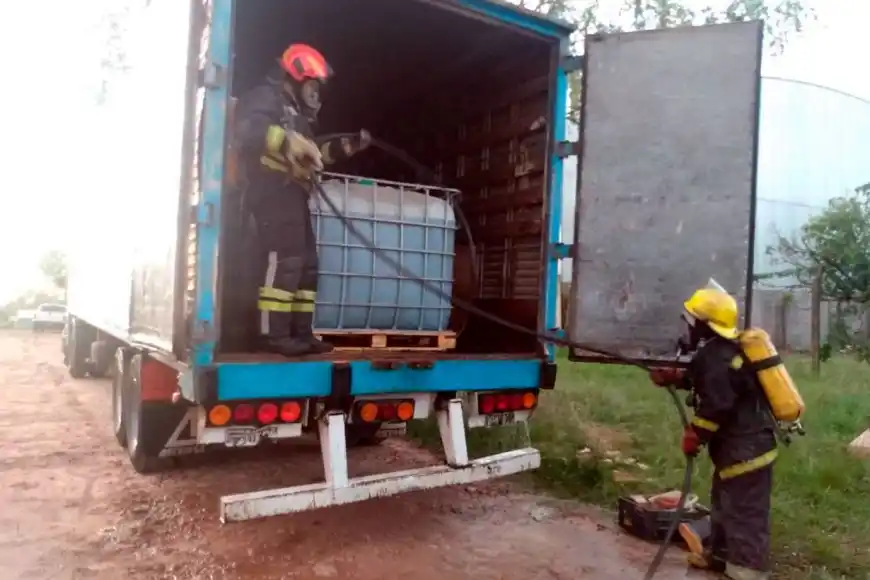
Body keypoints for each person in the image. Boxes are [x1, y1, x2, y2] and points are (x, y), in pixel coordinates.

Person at [233, 43, 370, 356]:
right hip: (270, 190)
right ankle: (274, 335)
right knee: (285, 259)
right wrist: (284, 140)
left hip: (293, 193)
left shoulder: (298, 117)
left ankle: (302, 334)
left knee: (307, 264)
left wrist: (345, 148)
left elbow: (313, 155)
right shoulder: (265, 98)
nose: (315, 94)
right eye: (312, 85)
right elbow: (248, 130)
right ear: (295, 77)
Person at [649, 287, 777, 580]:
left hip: (748, 449)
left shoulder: (717, 355)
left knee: (745, 510)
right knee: (725, 501)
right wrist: (676, 377)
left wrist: (695, 434)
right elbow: (710, 381)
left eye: (692, 320)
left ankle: (747, 570)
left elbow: (718, 404)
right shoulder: (719, 351)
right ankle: (720, 557)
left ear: (705, 324)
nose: (688, 326)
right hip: (740, 448)